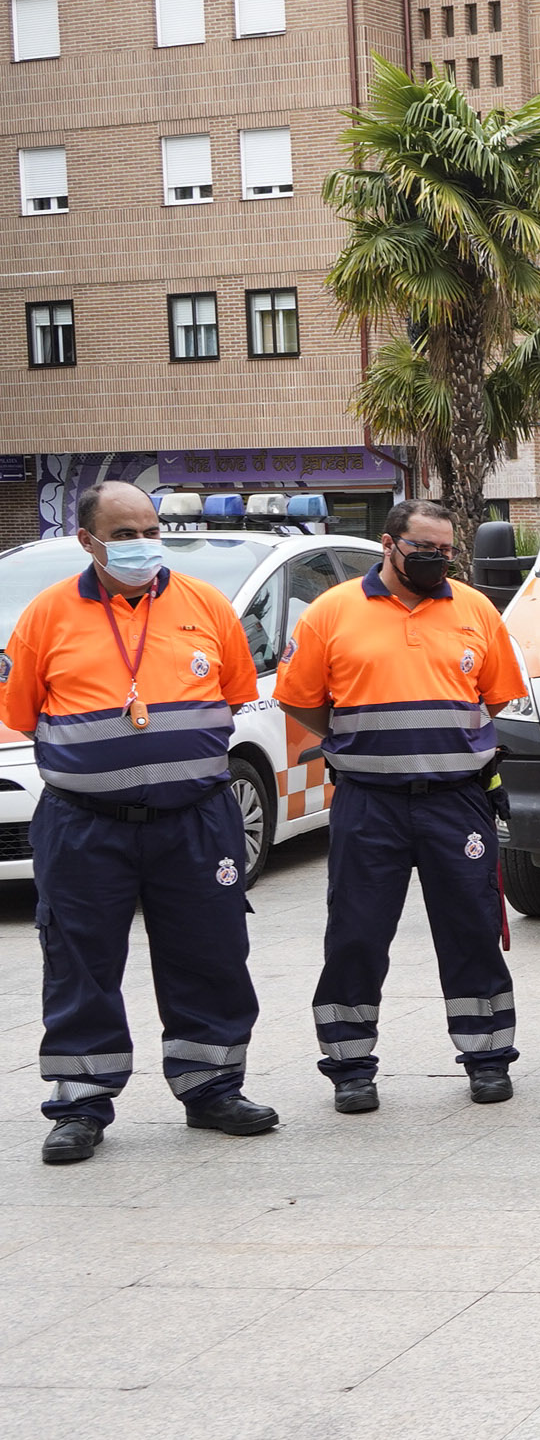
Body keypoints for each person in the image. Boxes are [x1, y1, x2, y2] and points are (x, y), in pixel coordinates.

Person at [8, 482, 273, 1164]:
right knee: (80, 961)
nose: (142, 544)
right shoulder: (46, 616)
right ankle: (80, 1103)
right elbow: (24, 712)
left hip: (196, 820)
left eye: (151, 530)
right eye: (124, 534)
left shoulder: (206, 606)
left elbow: (234, 696)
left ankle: (212, 1087)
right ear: (87, 541)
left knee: (210, 952)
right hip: (84, 824)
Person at [277, 496, 531, 1112]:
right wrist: (362, 743)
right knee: (356, 934)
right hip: (369, 803)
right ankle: (349, 1066)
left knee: (471, 929)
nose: (437, 559)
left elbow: (495, 694)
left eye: (446, 551)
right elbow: (299, 699)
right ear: (389, 545)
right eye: (424, 548)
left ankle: (488, 1057)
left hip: (456, 801)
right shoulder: (332, 611)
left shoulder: (475, 608)